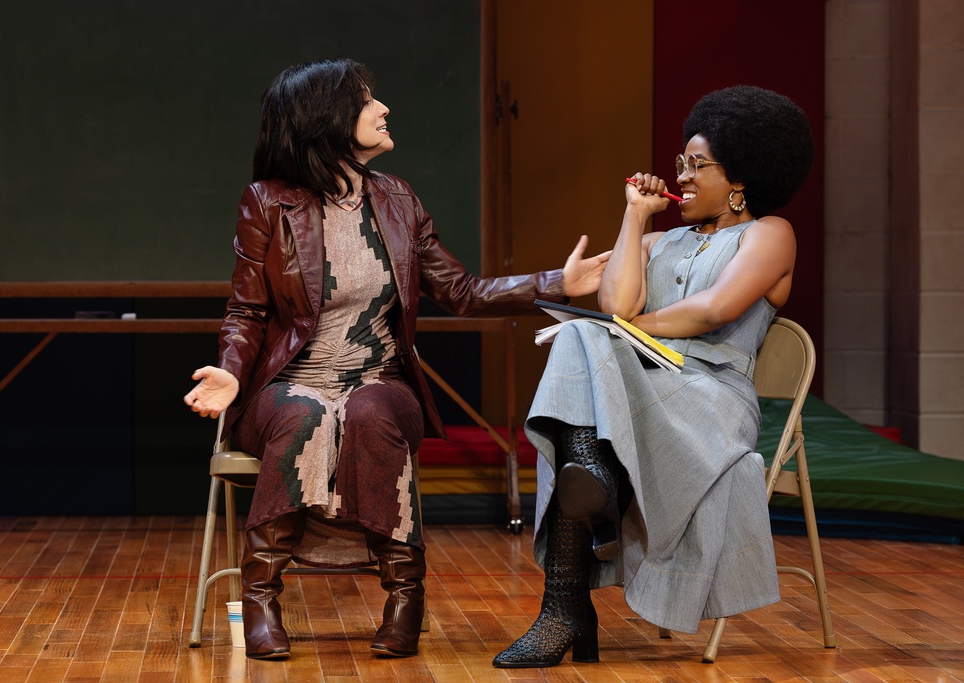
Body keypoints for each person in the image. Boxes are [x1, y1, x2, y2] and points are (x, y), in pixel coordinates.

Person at [183, 58, 610, 661]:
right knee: (301, 415)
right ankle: (261, 599)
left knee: (371, 414)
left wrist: (556, 283)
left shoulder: (397, 200)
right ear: (327, 120)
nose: (383, 109)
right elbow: (247, 311)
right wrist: (230, 369)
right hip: (290, 384)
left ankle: (405, 598)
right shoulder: (269, 203)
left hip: (378, 380)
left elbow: (461, 293)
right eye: (366, 101)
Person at [492, 85, 815, 668]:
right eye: (679, 165)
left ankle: (566, 604)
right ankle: (585, 504)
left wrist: (632, 324)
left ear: (740, 177)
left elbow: (714, 310)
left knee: (591, 336)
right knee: (582, 332)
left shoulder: (770, 234)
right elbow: (615, 301)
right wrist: (633, 214)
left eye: (698, 165)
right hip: (637, 388)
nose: (682, 177)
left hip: (710, 394)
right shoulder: (657, 239)